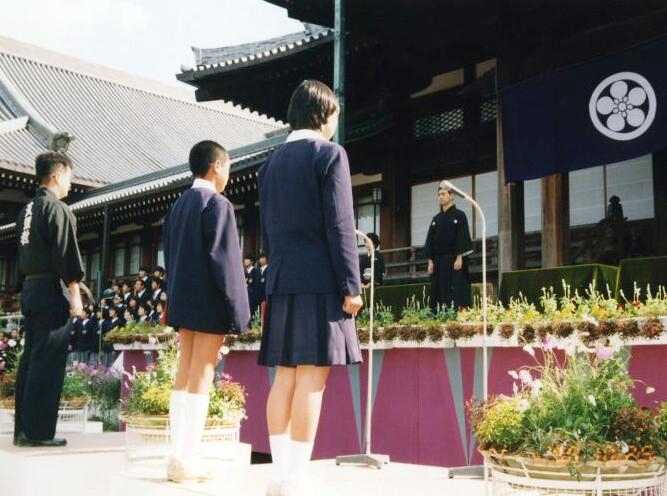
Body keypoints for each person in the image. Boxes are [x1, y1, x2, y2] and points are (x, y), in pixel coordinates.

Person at [258, 80, 364, 495]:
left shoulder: (270, 163)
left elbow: (267, 229)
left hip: (282, 278)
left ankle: (280, 474)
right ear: (324, 114)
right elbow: (340, 225)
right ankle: (296, 478)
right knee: (312, 379)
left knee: (284, 375)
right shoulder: (329, 155)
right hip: (321, 279)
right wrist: (352, 284)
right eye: (335, 115)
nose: (336, 124)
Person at [164, 140, 250, 482]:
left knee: (184, 373)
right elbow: (226, 262)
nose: (228, 175)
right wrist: (238, 310)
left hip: (183, 299)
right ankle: (188, 459)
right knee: (202, 374)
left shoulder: (178, 205)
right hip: (210, 299)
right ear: (216, 166)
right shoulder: (217, 204)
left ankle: (176, 455)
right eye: (227, 166)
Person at [13, 152, 84, 447]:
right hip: (51, 291)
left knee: (31, 358)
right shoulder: (57, 209)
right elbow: (66, 256)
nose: (70, 182)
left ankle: (23, 429)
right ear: (57, 174)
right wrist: (76, 297)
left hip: (31, 289)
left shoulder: (27, 210)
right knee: (48, 360)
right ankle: (39, 432)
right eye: (68, 175)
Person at [424, 181, 473, 312]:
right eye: (439, 194)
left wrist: (459, 257)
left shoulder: (459, 215)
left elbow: (462, 237)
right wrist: (430, 261)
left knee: (456, 286)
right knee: (438, 288)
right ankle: (439, 313)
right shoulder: (436, 219)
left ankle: (458, 312)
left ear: (451, 196)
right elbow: (430, 240)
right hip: (438, 261)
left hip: (454, 259)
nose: (440, 197)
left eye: (443, 194)